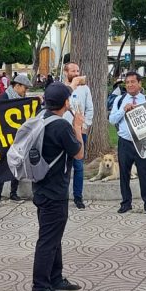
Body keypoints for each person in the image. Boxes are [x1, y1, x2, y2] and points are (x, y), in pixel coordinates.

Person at [29, 82, 84, 291]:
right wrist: (77, 127)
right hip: (54, 191)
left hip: (42, 187)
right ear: (64, 103)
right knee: (48, 239)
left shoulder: (41, 117)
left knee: (54, 236)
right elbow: (79, 154)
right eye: (68, 99)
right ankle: (40, 286)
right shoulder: (61, 126)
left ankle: (56, 278)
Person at [108, 72, 146, 215]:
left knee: (145, 173)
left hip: (143, 142)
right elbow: (112, 120)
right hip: (125, 142)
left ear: (139, 83)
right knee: (124, 173)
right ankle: (126, 203)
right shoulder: (120, 99)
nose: (129, 85)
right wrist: (123, 111)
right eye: (127, 82)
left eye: (132, 82)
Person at [0, 74, 34, 207]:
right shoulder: (4, 98)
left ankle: (13, 193)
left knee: (17, 165)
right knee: (2, 167)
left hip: (18, 140)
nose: (25, 91)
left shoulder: (22, 100)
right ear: (17, 86)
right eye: (24, 88)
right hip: (4, 139)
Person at [63, 62, 94, 210]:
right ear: (66, 72)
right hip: (62, 133)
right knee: (62, 166)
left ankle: (78, 197)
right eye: (73, 71)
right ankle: (62, 195)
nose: (76, 73)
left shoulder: (85, 89)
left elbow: (90, 109)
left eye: (77, 71)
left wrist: (85, 126)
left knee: (79, 166)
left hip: (78, 133)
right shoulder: (61, 88)